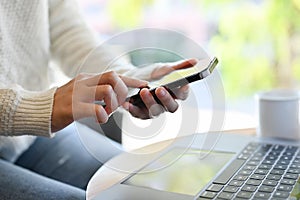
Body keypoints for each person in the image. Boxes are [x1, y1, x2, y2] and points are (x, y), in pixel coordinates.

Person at [0, 0, 195, 199]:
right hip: (34, 121)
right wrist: (32, 110)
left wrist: (130, 78)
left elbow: (68, 32)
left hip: (33, 137)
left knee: (148, 182)